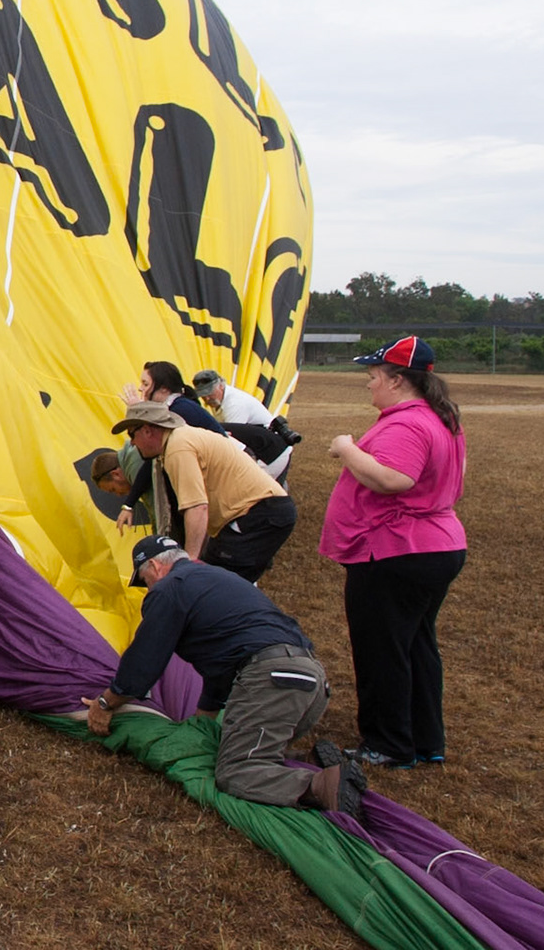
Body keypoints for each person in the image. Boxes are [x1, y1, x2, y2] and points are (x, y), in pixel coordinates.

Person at [84, 535, 365, 817]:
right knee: (241, 750)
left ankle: (321, 785)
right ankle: (311, 761)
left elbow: (144, 660)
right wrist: (202, 722)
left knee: (235, 773)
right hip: (311, 680)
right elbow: (221, 667)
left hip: (273, 680)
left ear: (156, 567)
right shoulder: (215, 579)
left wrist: (107, 703)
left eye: (144, 580)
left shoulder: (169, 589)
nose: (147, 588)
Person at [321, 336, 468, 769]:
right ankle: (425, 739)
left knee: (382, 647)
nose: (369, 386)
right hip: (434, 545)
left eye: (374, 377)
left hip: (396, 550)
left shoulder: (406, 423)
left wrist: (347, 449)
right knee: (416, 644)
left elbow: (394, 479)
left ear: (399, 380)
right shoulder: (441, 419)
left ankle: (386, 744)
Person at [113, 400, 297, 582]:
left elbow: (197, 507)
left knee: (208, 585)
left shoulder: (178, 448)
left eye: (132, 434)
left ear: (147, 430)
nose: (132, 443)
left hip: (256, 514)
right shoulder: (180, 438)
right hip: (263, 512)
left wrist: (188, 562)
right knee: (223, 585)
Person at [192, 368, 297, 482]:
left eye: (209, 393)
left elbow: (232, 442)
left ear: (221, 386)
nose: (207, 398)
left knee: (262, 490)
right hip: (262, 447)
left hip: (270, 452)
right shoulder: (221, 401)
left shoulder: (234, 404)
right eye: (203, 395)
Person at [121, 360, 224, 433]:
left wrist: (139, 411)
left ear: (164, 388)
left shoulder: (180, 409)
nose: (140, 388)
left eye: (145, 384)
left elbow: (152, 443)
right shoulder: (176, 405)